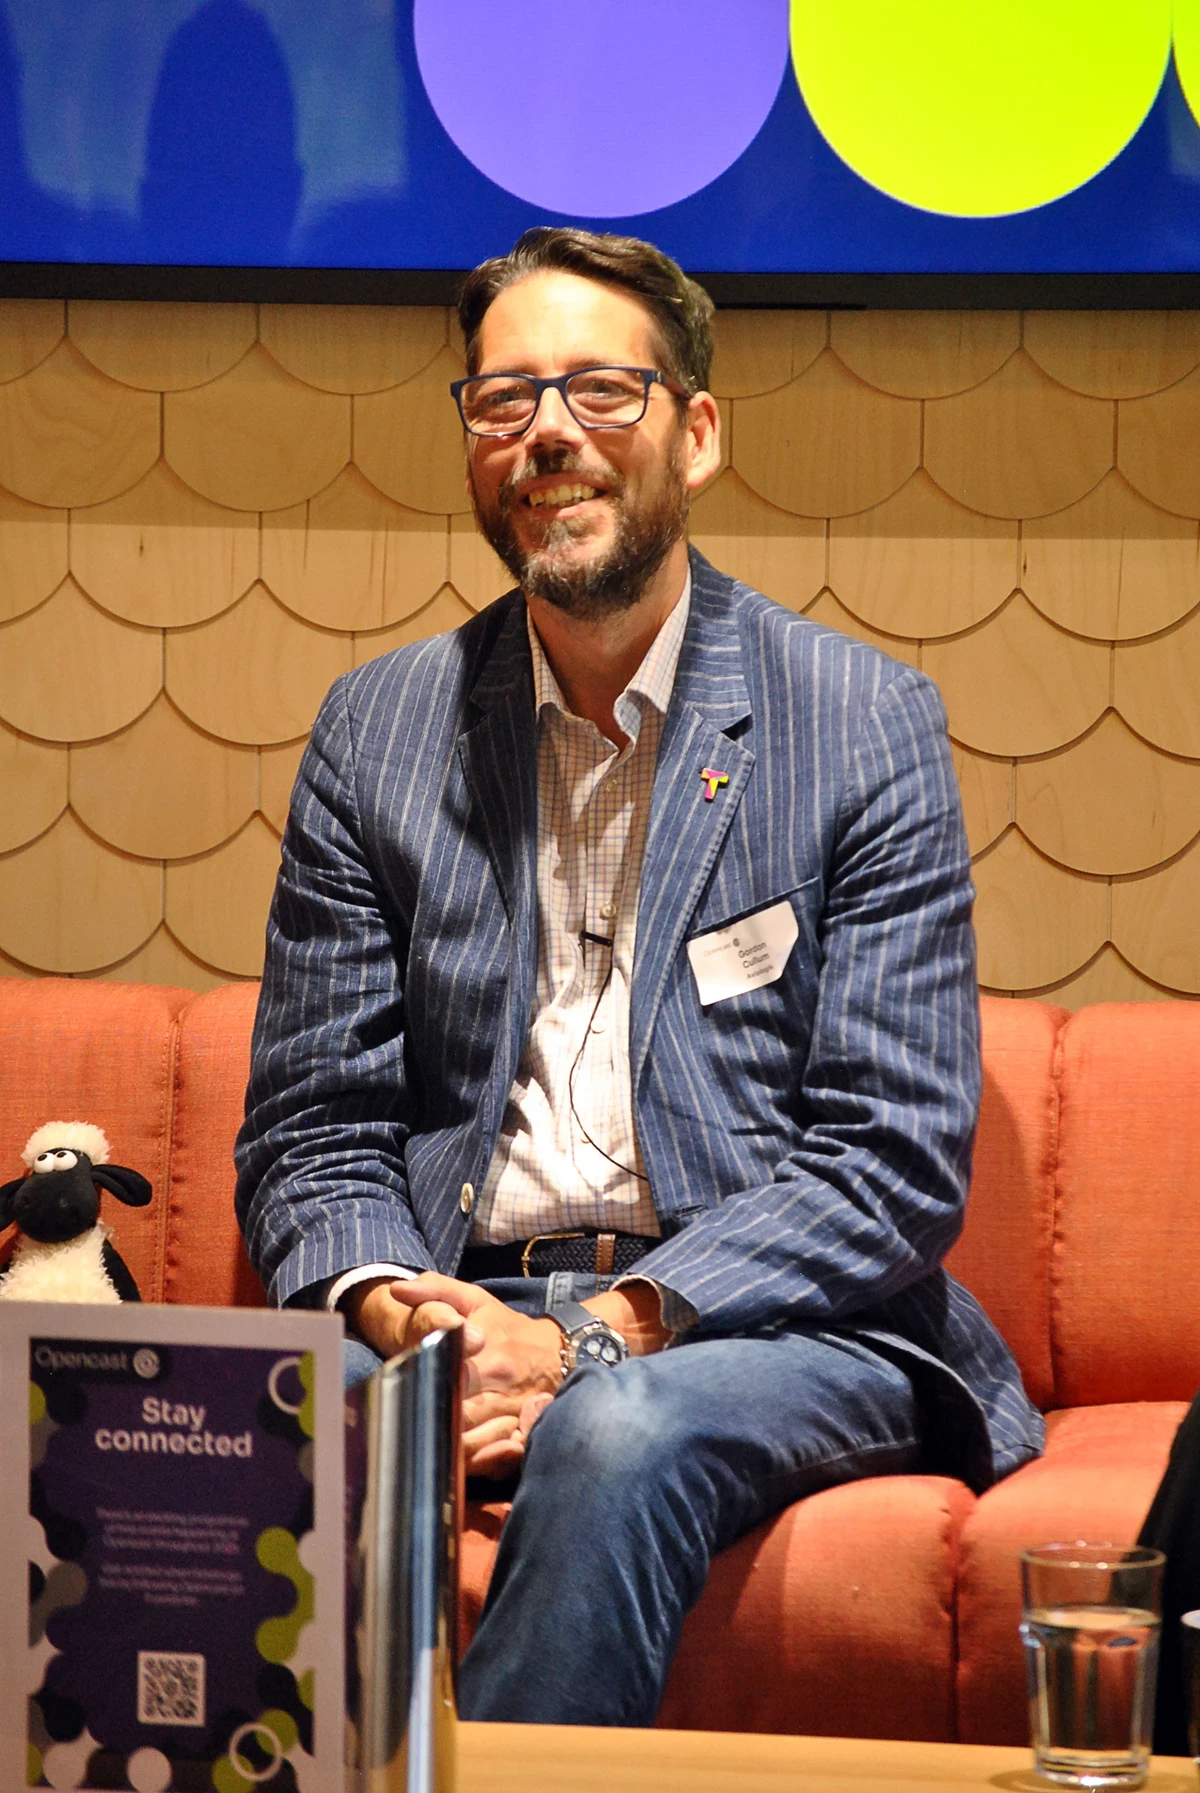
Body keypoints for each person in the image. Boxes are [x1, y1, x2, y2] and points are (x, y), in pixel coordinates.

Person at [235, 226, 1044, 1727]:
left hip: (772, 1330)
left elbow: (891, 1162)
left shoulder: (858, 721)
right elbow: (314, 1128)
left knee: (611, 1432)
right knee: (210, 1437)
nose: (547, 432)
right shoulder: (378, 731)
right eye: (504, 399)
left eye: (602, 391)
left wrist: (595, 1338)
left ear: (699, 432)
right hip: (458, 1302)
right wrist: (410, 1317)